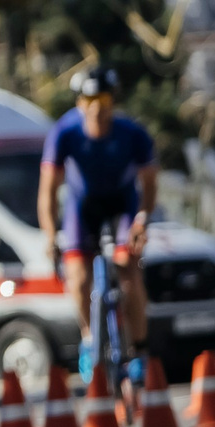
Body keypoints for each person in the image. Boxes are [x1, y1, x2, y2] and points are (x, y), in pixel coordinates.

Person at [38, 66, 157, 393]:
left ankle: (139, 351)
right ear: (79, 102)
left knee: (130, 272)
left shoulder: (132, 134)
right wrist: (50, 236)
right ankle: (90, 338)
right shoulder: (64, 133)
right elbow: (47, 190)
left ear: (113, 101)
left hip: (122, 206)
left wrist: (142, 219)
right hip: (82, 208)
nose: (96, 108)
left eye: (103, 99)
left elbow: (148, 183)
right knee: (77, 278)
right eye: (89, 99)